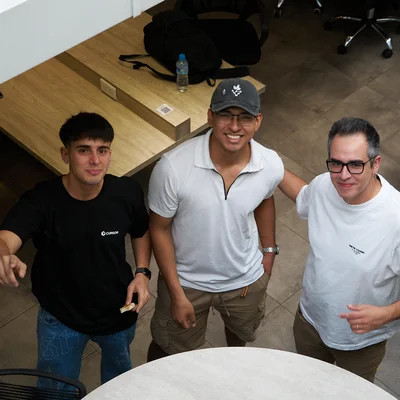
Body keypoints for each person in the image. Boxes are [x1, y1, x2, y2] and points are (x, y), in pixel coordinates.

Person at [0, 112, 152, 387]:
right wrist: (3, 255)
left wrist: (142, 272)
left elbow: (140, 231)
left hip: (118, 309)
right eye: (84, 150)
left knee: (119, 384)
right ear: (65, 154)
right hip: (60, 317)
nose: (95, 160)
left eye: (102, 150)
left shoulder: (126, 192)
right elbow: (6, 238)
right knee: (54, 389)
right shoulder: (41, 201)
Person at [147, 78, 284, 360]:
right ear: (210, 116)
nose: (235, 127)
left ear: (258, 121)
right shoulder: (173, 167)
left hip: (245, 279)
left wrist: (269, 250)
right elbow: (159, 229)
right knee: (168, 349)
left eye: (245, 117)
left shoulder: (270, 164)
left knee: (239, 336)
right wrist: (176, 293)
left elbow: (265, 199)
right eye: (226, 115)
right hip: (186, 281)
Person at [278, 117, 400, 382]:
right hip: (309, 322)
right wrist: (270, 163)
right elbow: (303, 196)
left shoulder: (396, 218)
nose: (343, 175)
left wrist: (386, 314)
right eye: (336, 163)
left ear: (375, 163)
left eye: (355, 165)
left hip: (360, 343)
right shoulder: (324, 185)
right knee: (309, 385)